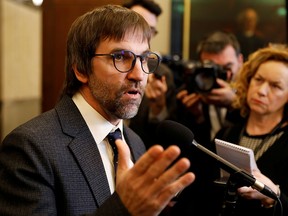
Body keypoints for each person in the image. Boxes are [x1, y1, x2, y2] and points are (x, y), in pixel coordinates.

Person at [0, 5, 195, 216]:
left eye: (145, 59)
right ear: (81, 69)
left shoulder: (135, 142)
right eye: (120, 57)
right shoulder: (30, 148)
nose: (139, 74)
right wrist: (124, 209)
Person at [169, 31, 244, 215]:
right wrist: (196, 118)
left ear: (240, 61)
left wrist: (236, 103)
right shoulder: (190, 93)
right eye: (211, 69)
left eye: (227, 68)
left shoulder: (249, 97)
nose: (219, 77)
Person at [215, 44, 288, 216]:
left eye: (275, 86)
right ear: (248, 81)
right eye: (259, 80)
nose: (262, 91)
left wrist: (273, 196)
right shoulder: (226, 133)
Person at [123, 0, 177, 149]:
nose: (145, 34)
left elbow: (166, 139)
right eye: (138, 25)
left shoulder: (163, 74)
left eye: (151, 30)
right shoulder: (103, 63)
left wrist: (158, 109)